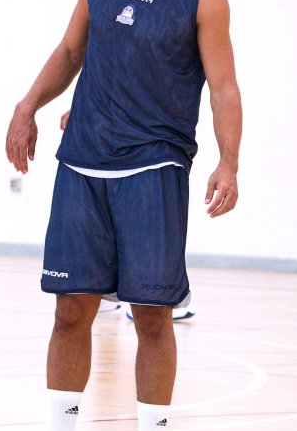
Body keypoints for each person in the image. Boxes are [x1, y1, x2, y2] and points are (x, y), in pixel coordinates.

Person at [3, 0, 241, 431]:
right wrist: (28, 106)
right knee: (70, 312)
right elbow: (70, 48)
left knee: (153, 317)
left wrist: (229, 163)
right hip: (82, 162)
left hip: (153, 169)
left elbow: (222, 87)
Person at [59, 112, 195, 320]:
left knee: (152, 312)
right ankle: (112, 297)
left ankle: (145, 296)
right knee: (71, 308)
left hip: (152, 152)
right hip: (97, 155)